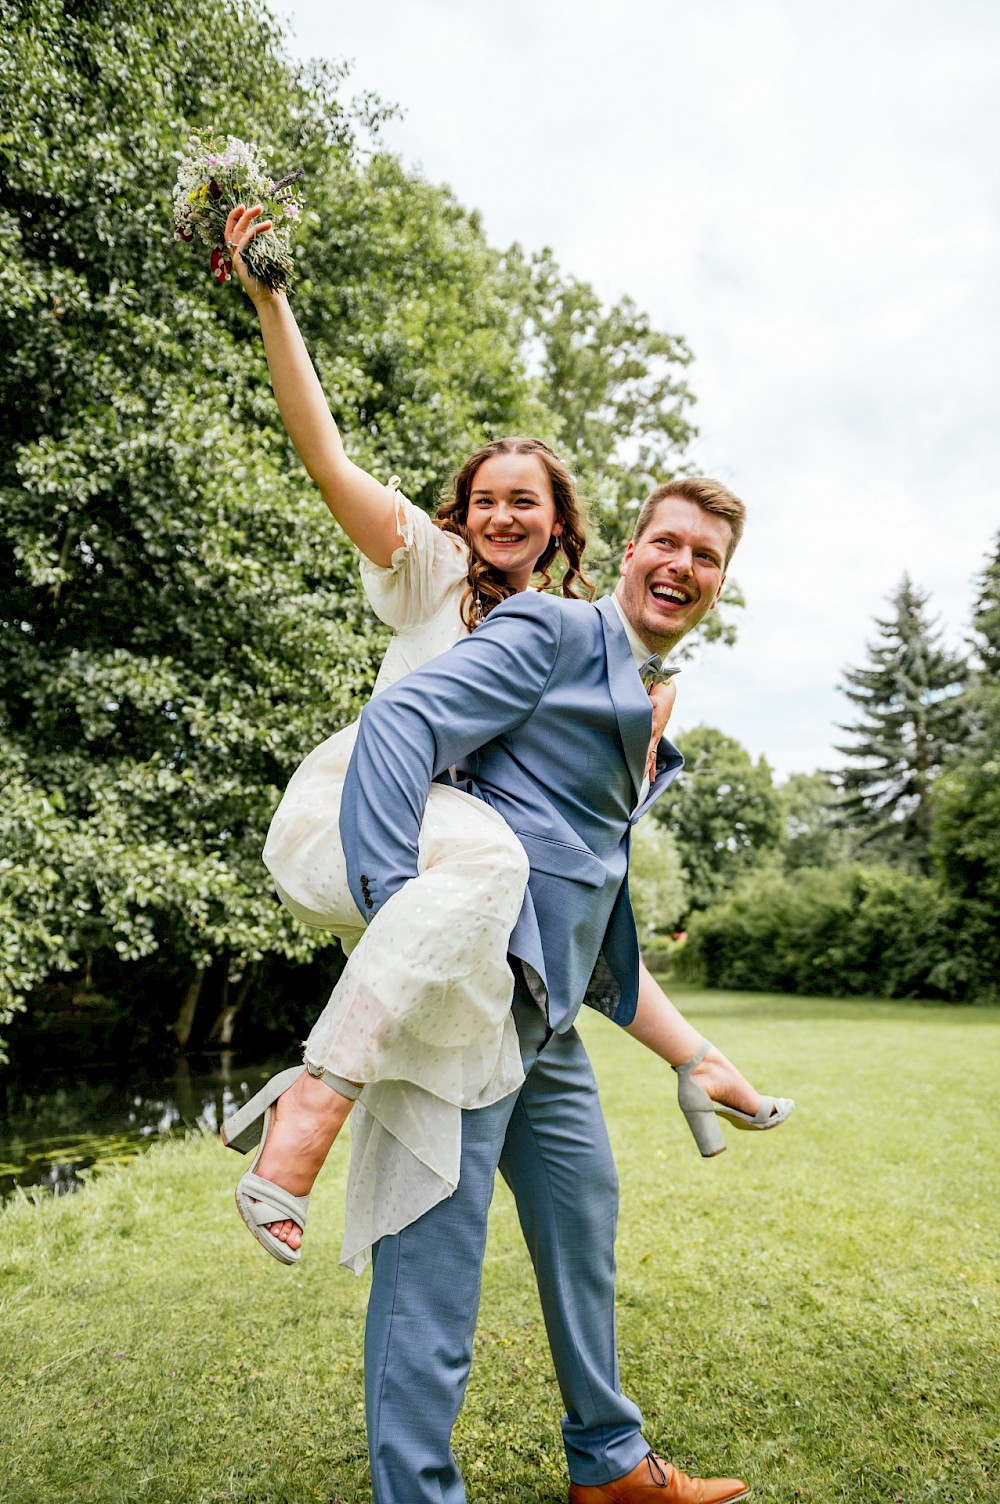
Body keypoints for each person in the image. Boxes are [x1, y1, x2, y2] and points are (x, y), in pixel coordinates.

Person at [218, 204, 791, 1275]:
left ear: (560, 524)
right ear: (461, 513)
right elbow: (323, 451)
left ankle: (321, 1090)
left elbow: (587, 897)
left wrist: (694, 1052)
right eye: (482, 498)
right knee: (493, 858)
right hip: (360, 819)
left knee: (497, 918)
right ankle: (302, 1122)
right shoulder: (429, 568)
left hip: (447, 876)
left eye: (522, 500)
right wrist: (271, 299)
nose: (498, 515)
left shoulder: (569, 647)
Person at [340, 478, 757, 1503]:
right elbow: (398, 725)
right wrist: (401, 915)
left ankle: (610, 1464)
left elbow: (588, 891)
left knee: (583, 1215)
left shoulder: (641, 695)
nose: (681, 566)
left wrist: (691, 1050)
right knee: (431, 1261)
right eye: (668, 542)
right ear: (626, 548)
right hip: (466, 997)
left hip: (549, 1017)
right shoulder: (552, 629)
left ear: (717, 585)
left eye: (706, 558)